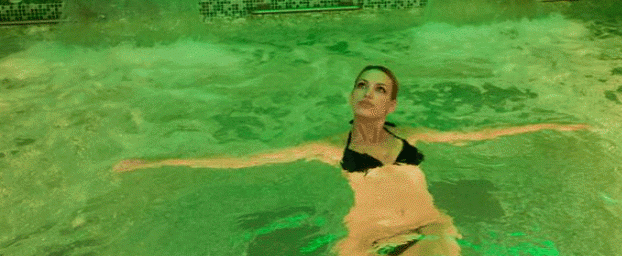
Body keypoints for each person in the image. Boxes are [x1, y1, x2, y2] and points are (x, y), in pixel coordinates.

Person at [114, 65, 590, 255]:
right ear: (351, 96)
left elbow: (481, 134)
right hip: (363, 238)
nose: (368, 92)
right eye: (362, 85)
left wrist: (554, 126)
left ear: (391, 105)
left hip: (426, 228)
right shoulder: (327, 147)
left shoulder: (413, 137)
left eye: (380, 89)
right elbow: (245, 160)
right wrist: (155, 164)